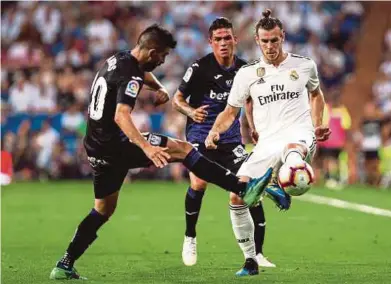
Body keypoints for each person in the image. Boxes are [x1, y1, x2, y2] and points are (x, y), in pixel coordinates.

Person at [49, 24, 273, 280]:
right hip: (118, 144)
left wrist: (158, 88)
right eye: (163, 56)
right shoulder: (132, 76)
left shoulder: (118, 59)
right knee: (183, 149)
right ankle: (242, 187)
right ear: (153, 52)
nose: (163, 60)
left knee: (103, 209)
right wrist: (146, 147)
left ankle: (65, 263)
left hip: (95, 147)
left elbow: (141, 74)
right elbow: (122, 115)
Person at [205, 9, 330, 223]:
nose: (270, 47)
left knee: (292, 149)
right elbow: (230, 111)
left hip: (299, 135)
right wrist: (214, 131)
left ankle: (282, 180)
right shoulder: (246, 73)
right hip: (267, 142)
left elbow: (316, 94)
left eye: (274, 40)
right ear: (257, 40)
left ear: (283, 37)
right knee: (236, 196)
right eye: (265, 41)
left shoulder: (305, 65)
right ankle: (251, 257)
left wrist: (316, 125)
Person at [172, 18, 275, 271]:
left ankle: (257, 254)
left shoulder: (244, 69)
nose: (223, 43)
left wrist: (252, 127)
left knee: (248, 188)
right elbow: (177, 98)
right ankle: (190, 237)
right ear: (211, 42)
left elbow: (249, 101)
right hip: (199, 134)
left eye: (227, 38)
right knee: (198, 181)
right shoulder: (199, 68)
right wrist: (190, 111)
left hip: (230, 139)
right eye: (217, 39)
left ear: (235, 40)